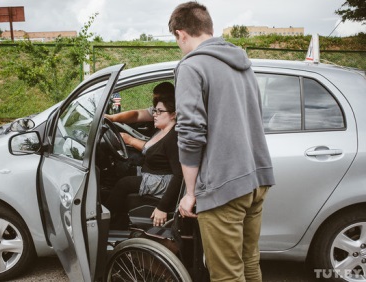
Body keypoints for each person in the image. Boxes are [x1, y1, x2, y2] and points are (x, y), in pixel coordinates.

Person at [169, 2, 275, 281]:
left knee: (227, 275)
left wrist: (190, 193)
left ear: (181, 34)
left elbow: (190, 133)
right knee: (249, 263)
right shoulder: (242, 62)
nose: (180, 46)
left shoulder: (191, 66)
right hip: (257, 178)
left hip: (224, 185)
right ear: (208, 28)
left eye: (177, 40)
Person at [104, 82, 183, 230]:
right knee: (121, 173)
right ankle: (117, 215)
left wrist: (162, 207)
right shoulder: (162, 129)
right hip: (152, 173)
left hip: (160, 181)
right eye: (154, 111)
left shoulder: (173, 138)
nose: (154, 114)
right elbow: (137, 115)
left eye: (159, 111)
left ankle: (104, 220)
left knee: (124, 183)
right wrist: (112, 118)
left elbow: (179, 174)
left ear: (173, 114)